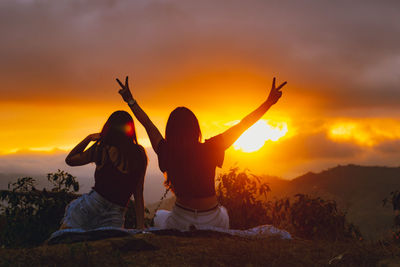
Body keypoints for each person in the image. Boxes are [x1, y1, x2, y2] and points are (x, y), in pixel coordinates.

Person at [117, 76, 286, 230]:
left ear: (171, 130)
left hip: (181, 219)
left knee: (160, 217)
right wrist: (268, 102)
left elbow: (147, 123)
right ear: (195, 128)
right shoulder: (211, 147)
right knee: (224, 213)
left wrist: (130, 100)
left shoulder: (166, 150)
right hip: (212, 219)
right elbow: (244, 124)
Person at [61, 110, 147, 230]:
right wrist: (140, 227)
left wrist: (89, 138)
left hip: (91, 206)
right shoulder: (139, 154)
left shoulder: (102, 149)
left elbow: (70, 160)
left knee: (65, 238)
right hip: (116, 215)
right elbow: (138, 192)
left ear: (109, 128)